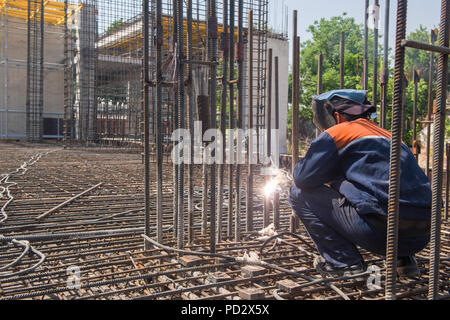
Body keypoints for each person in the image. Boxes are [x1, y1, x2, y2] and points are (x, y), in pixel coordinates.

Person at [289, 89, 431, 277]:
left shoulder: (339, 132)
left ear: (337, 116)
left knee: (298, 193)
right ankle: (405, 260)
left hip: (380, 235)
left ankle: (344, 263)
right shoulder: (391, 136)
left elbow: (302, 177)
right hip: (422, 236)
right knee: (391, 195)